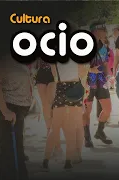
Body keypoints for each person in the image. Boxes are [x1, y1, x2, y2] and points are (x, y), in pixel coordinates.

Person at [41, 22, 87, 171]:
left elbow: (54, 74)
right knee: (73, 127)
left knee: (55, 127)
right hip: (74, 88)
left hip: (60, 87)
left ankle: (46, 160)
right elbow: (81, 71)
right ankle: (68, 161)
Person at [0, 54, 35, 180]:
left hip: (17, 109)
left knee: (17, 149)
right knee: (9, 151)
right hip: (6, 109)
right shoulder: (4, 59)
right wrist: (5, 110)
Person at [83, 21, 113, 148]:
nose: (105, 32)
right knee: (87, 111)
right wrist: (90, 70)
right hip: (87, 81)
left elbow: (105, 64)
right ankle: (87, 137)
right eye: (103, 29)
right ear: (95, 30)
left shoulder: (104, 46)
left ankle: (100, 132)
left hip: (101, 80)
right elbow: (79, 65)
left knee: (108, 109)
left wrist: (109, 76)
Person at [35, 60, 63, 156]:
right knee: (46, 105)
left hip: (53, 75)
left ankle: (54, 139)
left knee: (51, 105)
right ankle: (50, 134)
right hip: (42, 74)